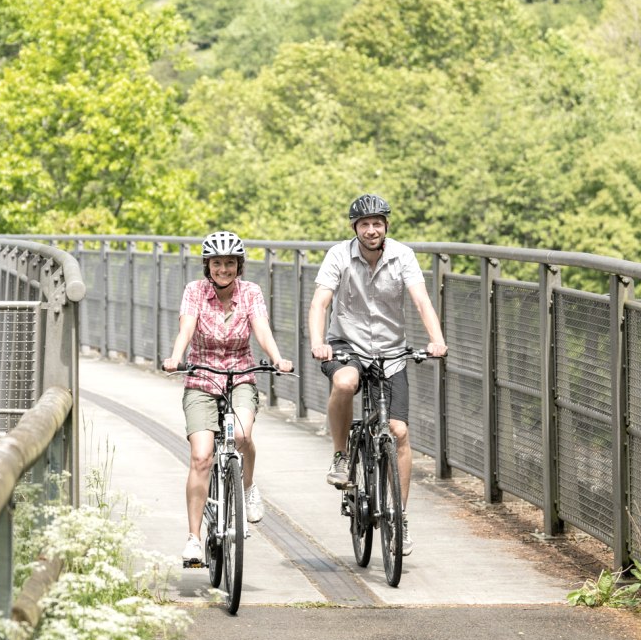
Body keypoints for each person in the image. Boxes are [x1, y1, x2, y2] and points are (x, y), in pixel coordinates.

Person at [308, 194, 446, 557]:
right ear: (355, 228)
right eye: (365, 224)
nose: (372, 230)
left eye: (378, 223)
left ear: (386, 226)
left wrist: (437, 339)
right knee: (345, 382)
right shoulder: (339, 255)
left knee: (398, 431)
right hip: (346, 346)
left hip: (390, 351)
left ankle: (398, 517)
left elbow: (421, 300)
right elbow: (320, 302)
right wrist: (317, 342)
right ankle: (341, 457)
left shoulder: (403, 255)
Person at [163, 231, 293, 566]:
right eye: (217, 263)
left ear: (239, 265)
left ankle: (247, 488)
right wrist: (176, 356)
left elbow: (261, 328)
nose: (224, 269)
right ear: (208, 265)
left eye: (230, 263)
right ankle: (194, 538)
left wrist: (277, 357)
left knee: (240, 435)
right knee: (202, 457)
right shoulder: (195, 291)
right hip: (202, 377)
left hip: (240, 376)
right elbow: (187, 327)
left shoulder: (251, 292)